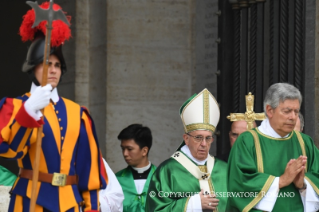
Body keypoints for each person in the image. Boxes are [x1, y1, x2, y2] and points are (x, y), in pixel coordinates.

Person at [0, 2, 106, 211]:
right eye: (47, 63)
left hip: (70, 203)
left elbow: (89, 169)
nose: (53, 70)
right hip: (29, 201)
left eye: (57, 65)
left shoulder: (79, 114)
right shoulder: (15, 106)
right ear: (33, 67)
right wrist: (29, 111)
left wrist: (91, 207)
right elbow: (9, 151)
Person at [228, 83, 319, 212]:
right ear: (270, 110)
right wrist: (281, 181)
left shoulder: (305, 142)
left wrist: (303, 184)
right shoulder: (247, 142)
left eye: (296, 111)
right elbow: (239, 185)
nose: (293, 117)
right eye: (287, 111)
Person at [145, 88, 228, 212]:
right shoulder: (168, 171)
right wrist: (193, 204)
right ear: (186, 139)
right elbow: (155, 209)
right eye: (198, 138)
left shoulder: (224, 169)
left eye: (208, 138)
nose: (204, 144)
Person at [116, 124, 156, 212]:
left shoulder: (163, 178)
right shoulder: (116, 180)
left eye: (129, 149)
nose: (125, 153)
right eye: (123, 149)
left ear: (144, 151)